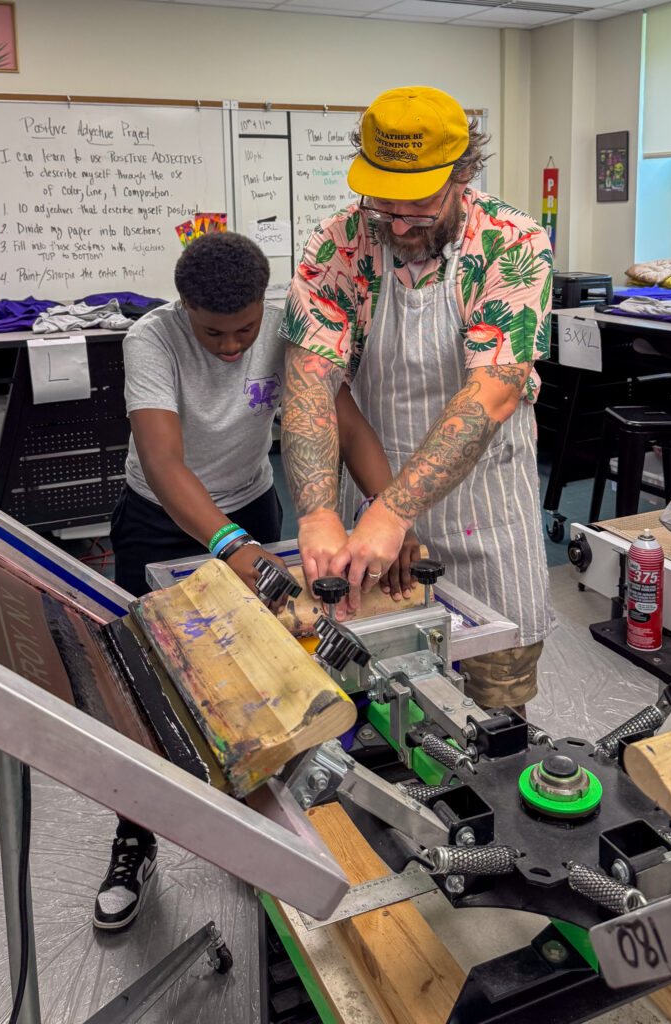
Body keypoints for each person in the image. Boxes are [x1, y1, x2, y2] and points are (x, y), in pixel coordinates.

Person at [281, 85, 554, 720]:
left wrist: (395, 509)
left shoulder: (513, 243)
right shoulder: (339, 244)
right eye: (384, 205)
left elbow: (492, 391)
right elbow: (310, 381)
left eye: (421, 207)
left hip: (484, 519)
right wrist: (320, 511)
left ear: (464, 176)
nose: (399, 224)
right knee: (377, 701)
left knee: (493, 707)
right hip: (368, 516)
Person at [95, 231, 287, 930]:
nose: (234, 346)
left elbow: (330, 417)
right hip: (159, 517)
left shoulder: (291, 318)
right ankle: (134, 838)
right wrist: (231, 545)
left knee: (257, 681)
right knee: (147, 690)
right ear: (184, 309)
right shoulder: (153, 339)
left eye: (246, 329)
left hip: (252, 504)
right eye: (215, 332)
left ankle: (257, 834)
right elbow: (163, 459)